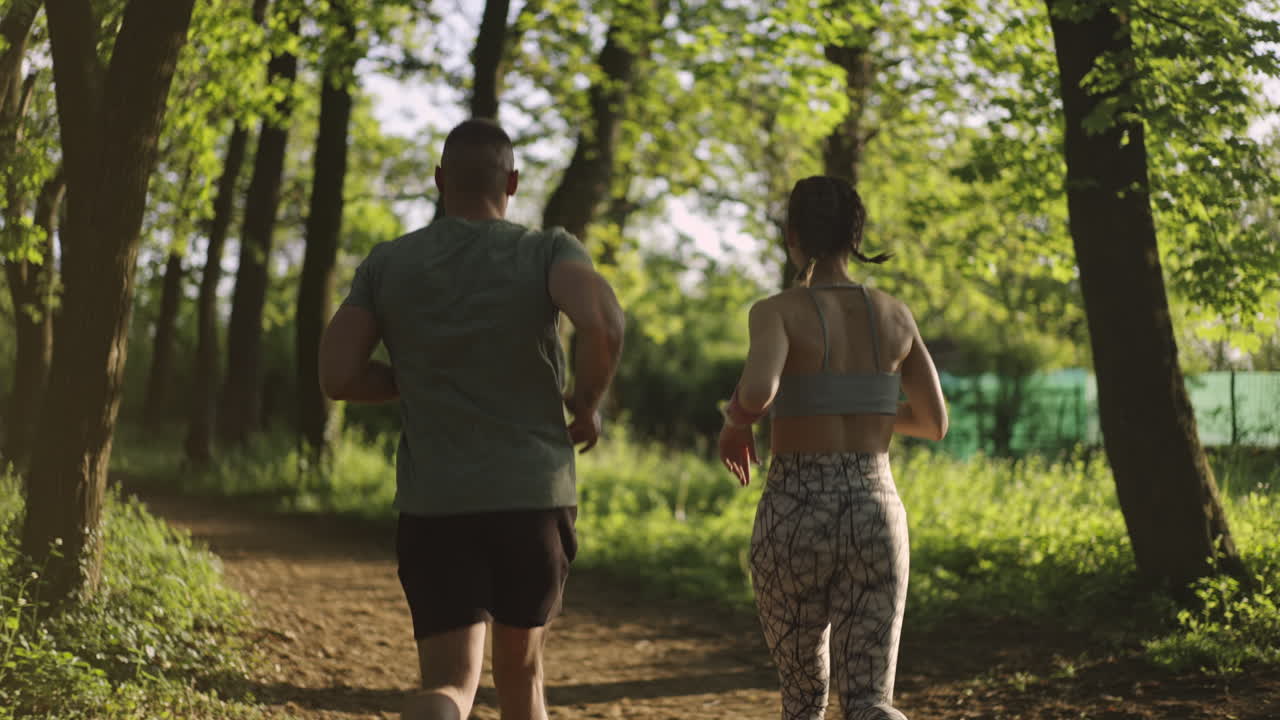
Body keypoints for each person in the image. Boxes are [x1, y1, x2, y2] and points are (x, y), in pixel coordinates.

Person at [318, 118, 625, 720]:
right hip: (532, 498)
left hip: (437, 504)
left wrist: (412, 380)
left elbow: (336, 376)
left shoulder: (388, 264)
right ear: (512, 181)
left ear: (438, 181)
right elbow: (604, 322)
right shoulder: (546, 250)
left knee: (450, 686)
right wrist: (585, 403)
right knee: (521, 676)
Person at [718, 176, 947, 720]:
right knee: (869, 700)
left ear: (792, 235)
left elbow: (756, 392)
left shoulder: (776, 311)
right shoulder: (895, 315)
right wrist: (860, 405)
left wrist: (736, 423)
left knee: (803, 700)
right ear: (855, 234)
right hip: (875, 510)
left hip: (794, 513)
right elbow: (934, 422)